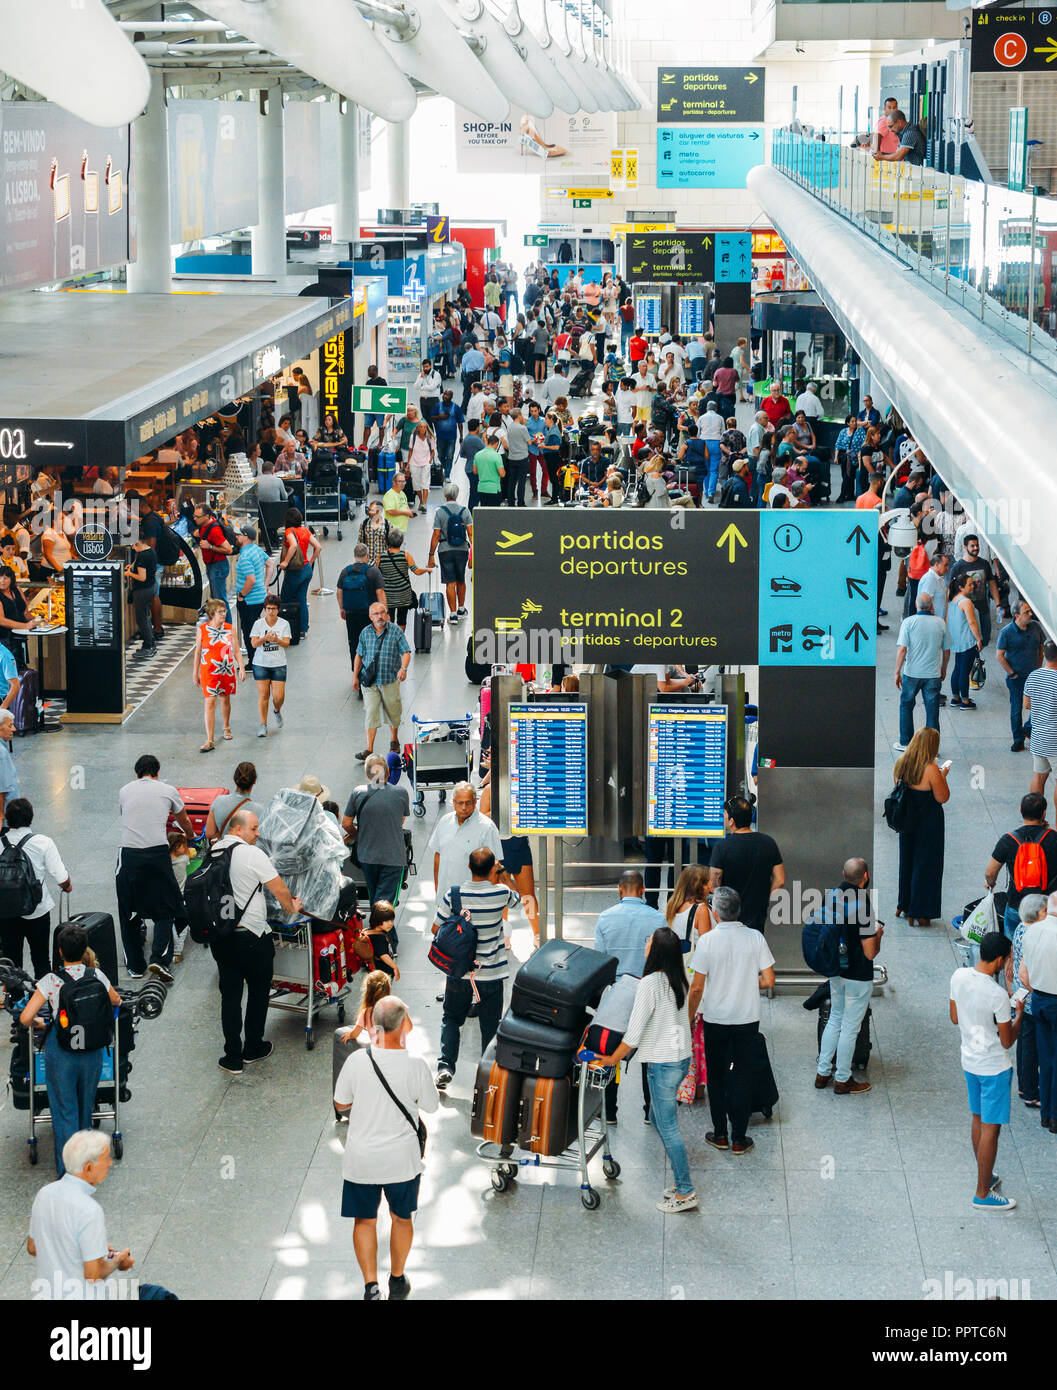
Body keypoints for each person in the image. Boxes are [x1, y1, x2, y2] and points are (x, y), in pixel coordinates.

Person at [333, 994, 438, 1301]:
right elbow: (430, 1106)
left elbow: (341, 1103)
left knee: (364, 1220)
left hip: (361, 1159)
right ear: (404, 1024)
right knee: (400, 1217)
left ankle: (371, 1287)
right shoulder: (415, 1065)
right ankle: (397, 1279)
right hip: (401, 1162)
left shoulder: (356, 1061)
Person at [593, 928, 696, 1214]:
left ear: (658, 950)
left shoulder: (650, 983)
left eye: (649, 940)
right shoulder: (679, 979)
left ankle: (686, 1191)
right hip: (680, 1058)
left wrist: (612, 1059)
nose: (646, 942)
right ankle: (680, 1183)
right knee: (657, 1117)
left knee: (668, 1127)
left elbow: (634, 1034)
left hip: (663, 1064)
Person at [20, 923, 123, 1172]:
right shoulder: (96, 975)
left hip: (62, 1051)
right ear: (84, 949)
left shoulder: (51, 981)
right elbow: (116, 1000)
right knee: (85, 1108)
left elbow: (25, 1018)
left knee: (65, 1111)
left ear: (60, 952)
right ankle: (87, 1169)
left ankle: (68, 1174)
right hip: (92, 1051)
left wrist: (41, 1023)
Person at [28, 1129, 178, 1300]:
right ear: (89, 1167)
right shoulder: (89, 1209)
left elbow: (33, 1247)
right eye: (105, 1158)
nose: (110, 1163)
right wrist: (118, 1261)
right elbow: (93, 1273)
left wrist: (82, 1248)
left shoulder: (45, 1193)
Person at [211, 809, 302, 1075]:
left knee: (230, 997)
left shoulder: (214, 851)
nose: (258, 833)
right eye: (254, 828)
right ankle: (253, 1046)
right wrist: (291, 907)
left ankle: (232, 1056)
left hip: (223, 937)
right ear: (238, 829)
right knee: (259, 991)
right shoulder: (251, 854)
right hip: (252, 936)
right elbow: (279, 889)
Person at [687, 886, 776, 1156]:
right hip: (747, 1018)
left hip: (716, 1019)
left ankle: (720, 1134)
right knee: (743, 1075)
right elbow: (769, 979)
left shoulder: (708, 942)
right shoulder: (755, 938)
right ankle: (739, 1137)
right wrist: (748, 983)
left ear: (715, 912)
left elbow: (698, 987)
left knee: (717, 1076)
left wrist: (688, 1017)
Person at [432, 848, 519, 1090]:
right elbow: (518, 899)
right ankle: (488, 1075)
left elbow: (435, 929)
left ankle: (445, 1067)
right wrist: (502, 874)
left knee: (451, 1018)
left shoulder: (454, 895)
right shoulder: (501, 893)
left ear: (469, 867)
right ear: (492, 868)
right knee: (490, 1026)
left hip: (460, 972)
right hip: (491, 973)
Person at [949, 931, 1021, 1210]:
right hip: (994, 1066)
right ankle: (982, 1192)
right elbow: (1006, 1040)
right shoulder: (998, 994)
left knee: (978, 1119)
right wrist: (1020, 1014)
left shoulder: (958, 976)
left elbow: (955, 1018)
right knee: (992, 1128)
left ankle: (986, 1175)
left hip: (969, 1060)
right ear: (1000, 960)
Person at [594, 869, 666, 1122]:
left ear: (619, 889)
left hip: (617, 993)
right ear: (643, 889)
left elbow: (600, 962)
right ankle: (649, 1111)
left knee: (611, 1051)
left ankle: (609, 1111)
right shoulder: (658, 918)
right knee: (648, 1053)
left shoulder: (605, 918)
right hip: (647, 991)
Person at [116, 754, 193, 981]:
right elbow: (184, 819)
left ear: (136, 773)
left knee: (128, 910)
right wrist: (189, 835)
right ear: (157, 773)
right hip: (158, 854)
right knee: (167, 906)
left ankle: (136, 966)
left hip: (129, 854)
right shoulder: (168, 790)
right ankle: (159, 959)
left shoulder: (124, 790)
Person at [813, 859, 883, 1095]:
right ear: (865, 876)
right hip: (857, 975)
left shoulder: (831, 896)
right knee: (850, 1027)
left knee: (835, 1019)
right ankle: (843, 1079)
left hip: (836, 971)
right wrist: (878, 934)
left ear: (843, 874)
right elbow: (870, 951)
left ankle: (823, 1073)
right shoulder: (863, 904)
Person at [0, 798, 71, 977]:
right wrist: (67, 886)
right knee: (41, 958)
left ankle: (15, 999)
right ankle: (44, 999)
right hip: (37, 910)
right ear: (31, 818)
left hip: (6, 911)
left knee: (11, 959)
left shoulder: (0, 843)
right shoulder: (43, 842)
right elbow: (61, 876)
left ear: (7, 819)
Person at [894, 726, 949, 926]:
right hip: (928, 823)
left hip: (906, 820)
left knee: (906, 862)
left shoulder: (902, 763)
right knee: (927, 865)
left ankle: (904, 903)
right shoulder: (931, 769)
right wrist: (943, 775)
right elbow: (942, 797)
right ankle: (920, 910)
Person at [342, 753, 410, 913]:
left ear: (367, 774)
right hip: (394, 857)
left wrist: (357, 833)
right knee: (385, 902)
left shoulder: (358, 793)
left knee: (375, 898)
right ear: (388, 773)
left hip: (367, 856)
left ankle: (379, 933)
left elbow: (346, 823)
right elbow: (400, 822)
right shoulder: (401, 793)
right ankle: (383, 935)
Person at [707, 794, 784, 934]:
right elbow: (780, 879)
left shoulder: (722, 847)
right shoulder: (768, 843)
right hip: (757, 916)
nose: (723, 817)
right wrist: (764, 898)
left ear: (731, 821)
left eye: (724, 814)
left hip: (729, 918)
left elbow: (713, 885)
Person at [428, 781, 504, 908]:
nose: (464, 807)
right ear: (453, 802)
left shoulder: (487, 827)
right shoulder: (444, 822)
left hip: (475, 903)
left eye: (468, 803)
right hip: (446, 900)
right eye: (460, 803)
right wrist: (438, 890)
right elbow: (438, 857)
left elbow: (495, 867)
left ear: (475, 802)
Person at [1018, 890, 1057, 1135]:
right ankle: (1054, 1115)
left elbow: (1024, 973)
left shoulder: (1031, 932)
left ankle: (1046, 1116)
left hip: (1039, 1000)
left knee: (1046, 1058)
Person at [352, 602, 411, 761]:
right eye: (376, 614)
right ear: (370, 617)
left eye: (382, 613)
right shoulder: (365, 633)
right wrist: (355, 676)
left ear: (387, 615)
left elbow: (406, 652)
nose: (380, 616)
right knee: (371, 712)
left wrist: (403, 668)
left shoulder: (395, 631)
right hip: (370, 682)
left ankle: (394, 739)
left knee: (393, 711)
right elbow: (359, 655)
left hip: (389, 680)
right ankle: (369, 749)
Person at [893, 592, 950, 751]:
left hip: (912, 673)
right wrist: (943, 668)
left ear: (917, 605)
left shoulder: (908, 622)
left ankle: (906, 742)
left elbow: (902, 649)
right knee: (932, 711)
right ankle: (931, 749)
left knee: (906, 705)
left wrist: (897, 671)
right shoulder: (940, 623)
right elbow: (946, 651)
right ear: (931, 606)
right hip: (932, 674)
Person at [193, 598, 246, 753]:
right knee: (209, 702)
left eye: (224, 611)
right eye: (220, 612)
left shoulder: (230, 628)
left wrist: (241, 667)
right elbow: (198, 652)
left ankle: (226, 726)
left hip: (226, 669)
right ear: (211, 614)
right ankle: (210, 738)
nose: (224, 614)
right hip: (208, 671)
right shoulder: (202, 630)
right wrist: (194, 672)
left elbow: (236, 650)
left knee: (225, 699)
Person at [1011, 894, 1047, 1110]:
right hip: (1033, 999)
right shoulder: (1035, 935)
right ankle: (1032, 1092)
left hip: (1020, 996)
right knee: (1032, 1047)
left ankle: (1024, 1086)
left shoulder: (1019, 928)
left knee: (1025, 1044)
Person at [997, 601, 1044, 752]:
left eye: (1030, 611)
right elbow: (999, 655)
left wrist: (1038, 669)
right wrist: (1012, 673)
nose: (1030, 614)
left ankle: (1028, 728)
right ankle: (1018, 740)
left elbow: (1041, 648)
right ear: (1017, 615)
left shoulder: (1036, 627)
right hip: (1016, 679)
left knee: (1037, 706)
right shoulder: (1007, 632)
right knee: (1016, 709)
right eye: (1026, 612)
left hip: (1033, 676)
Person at [428, 482, 472, 622]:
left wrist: (431, 555)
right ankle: (461, 608)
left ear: (445, 495)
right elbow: (471, 534)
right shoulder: (465, 511)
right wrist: (473, 554)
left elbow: (436, 535)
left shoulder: (440, 512)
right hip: (462, 550)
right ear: (457, 494)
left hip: (445, 550)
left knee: (450, 582)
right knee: (461, 579)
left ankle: (452, 614)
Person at [337, 542, 386, 671]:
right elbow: (380, 593)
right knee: (370, 643)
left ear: (354, 555)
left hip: (351, 613)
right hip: (369, 615)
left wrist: (342, 608)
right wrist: (384, 613)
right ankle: (370, 672)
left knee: (354, 643)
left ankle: (356, 674)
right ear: (368, 555)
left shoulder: (345, 572)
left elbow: (339, 591)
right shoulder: (373, 571)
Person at [248, 596, 290, 738]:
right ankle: (263, 724)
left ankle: (277, 710)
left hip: (278, 664)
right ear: (264, 609)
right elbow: (253, 644)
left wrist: (276, 639)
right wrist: (264, 638)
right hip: (261, 664)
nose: (271, 612)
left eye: (273, 609)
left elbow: (286, 643)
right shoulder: (258, 624)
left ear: (278, 610)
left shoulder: (284, 624)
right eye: (268, 609)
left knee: (278, 696)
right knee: (264, 695)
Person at [948, 535, 1000, 650]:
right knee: (968, 644)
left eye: (977, 545)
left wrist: (998, 604)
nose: (976, 548)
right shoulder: (958, 567)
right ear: (965, 547)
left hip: (983, 608)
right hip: (964, 613)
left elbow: (991, 584)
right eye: (972, 546)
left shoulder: (984, 564)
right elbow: (950, 590)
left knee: (984, 640)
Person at [279, 507, 320, 639]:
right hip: (306, 568)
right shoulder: (305, 530)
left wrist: (285, 561)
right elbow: (318, 547)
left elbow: (293, 545)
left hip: (295, 570)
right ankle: (302, 629)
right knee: (302, 598)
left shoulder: (289, 531)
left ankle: (287, 627)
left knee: (286, 598)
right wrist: (311, 561)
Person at [1025, 641, 1057, 800]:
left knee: (1038, 776)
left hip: (1038, 737)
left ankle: (1035, 819)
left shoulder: (1033, 675)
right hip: (1055, 739)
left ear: (1044, 653)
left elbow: (1027, 704)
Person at [378, 531, 428, 633]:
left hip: (388, 596)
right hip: (403, 595)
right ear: (401, 541)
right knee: (402, 620)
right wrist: (427, 570)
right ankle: (400, 639)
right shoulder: (406, 555)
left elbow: (376, 575)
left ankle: (390, 641)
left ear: (389, 541)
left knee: (389, 620)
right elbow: (416, 571)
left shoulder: (381, 557)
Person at [948, 570, 983, 711]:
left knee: (957, 668)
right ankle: (965, 700)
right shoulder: (966, 602)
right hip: (967, 640)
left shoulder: (953, 599)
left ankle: (955, 697)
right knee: (965, 671)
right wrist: (979, 639)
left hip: (957, 640)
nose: (972, 586)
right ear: (961, 587)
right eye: (969, 584)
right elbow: (972, 622)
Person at [123, 535, 158, 659]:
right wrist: (132, 567)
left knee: (142, 618)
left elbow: (142, 577)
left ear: (138, 542)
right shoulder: (150, 550)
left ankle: (148, 646)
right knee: (146, 617)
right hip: (151, 587)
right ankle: (151, 642)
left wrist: (129, 573)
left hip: (143, 590)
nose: (133, 547)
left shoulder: (143, 556)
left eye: (133, 545)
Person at [431, 390, 464, 480]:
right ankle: (445, 467)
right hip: (440, 436)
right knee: (440, 455)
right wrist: (439, 417)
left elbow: (460, 422)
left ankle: (447, 475)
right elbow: (432, 417)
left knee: (449, 456)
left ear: (451, 397)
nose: (445, 396)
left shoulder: (456, 407)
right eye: (444, 394)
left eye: (447, 395)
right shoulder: (438, 406)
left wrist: (461, 436)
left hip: (452, 437)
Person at [359, 364, 391, 449]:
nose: (368, 372)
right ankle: (364, 444)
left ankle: (380, 444)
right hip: (369, 408)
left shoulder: (382, 381)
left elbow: (385, 393)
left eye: (370, 370)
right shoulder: (368, 382)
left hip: (379, 408)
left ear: (375, 371)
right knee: (367, 426)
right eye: (368, 371)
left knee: (381, 427)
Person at [472, 434, 505, 508]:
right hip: (494, 489)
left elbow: (475, 471)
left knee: (484, 512)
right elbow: (502, 474)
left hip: (481, 488)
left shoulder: (477, 454)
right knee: (494, 513)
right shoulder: (497, 456)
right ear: (496, 444)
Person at [382, 469, 416, 536]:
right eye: (400, 481)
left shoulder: (402, 494)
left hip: (402, 530)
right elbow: (390, 511)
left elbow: (405, 507)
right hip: (393, 530)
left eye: (403, 481)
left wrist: (410, 512)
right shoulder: (389, 494)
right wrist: (405, 512)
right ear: (394, 482)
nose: (402, 484)